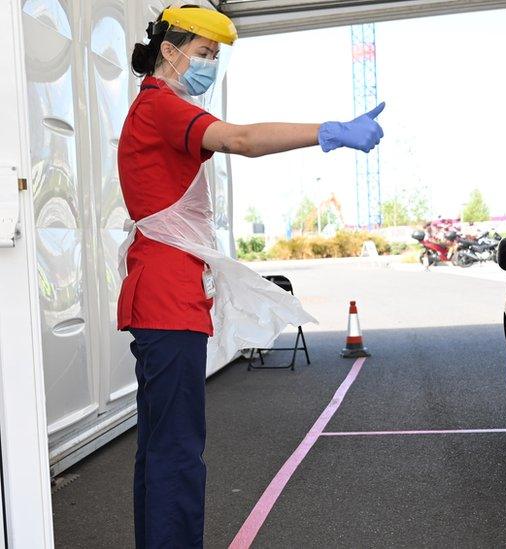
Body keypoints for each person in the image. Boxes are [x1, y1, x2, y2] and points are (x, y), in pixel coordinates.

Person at [117, 5, 385, 548]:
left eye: (215, 57)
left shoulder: (156, 107)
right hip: (167, 301)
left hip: (163, 296)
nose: (210, 66)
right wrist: (325, 132)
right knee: (176, 452)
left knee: (161, 448)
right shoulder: (162, 107)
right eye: (203, 53)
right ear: (169, 51)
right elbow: (239, 139)